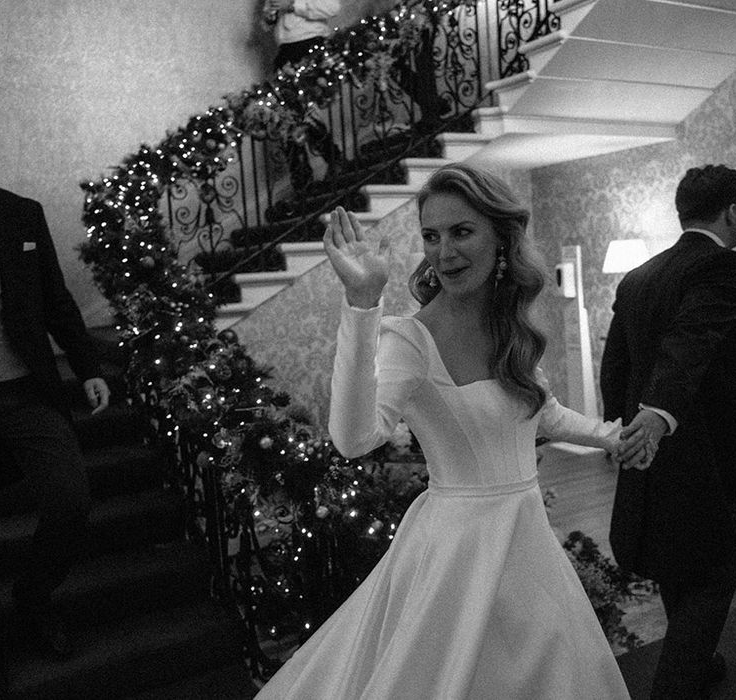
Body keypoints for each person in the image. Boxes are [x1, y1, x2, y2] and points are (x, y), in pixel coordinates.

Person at [256, 163, 651, 699]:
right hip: (456, 550)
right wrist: (362, 304)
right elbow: (353, 440)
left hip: (526, 538)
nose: (444, 253)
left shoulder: (510, 326)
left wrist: (610, 436)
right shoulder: (411, 339)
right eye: (431, 236)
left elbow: (542, 413)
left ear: (501, 240)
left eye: (462, 232)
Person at [601, 164, 736, 699]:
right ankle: (675, 686)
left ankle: (702, 661)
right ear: (732, 211)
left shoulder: (639, 276)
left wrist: (627, 431)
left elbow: (615, 366)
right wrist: (658, 414)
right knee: (716, 576)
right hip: (710, 458)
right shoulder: (723, 266)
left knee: (678, 560)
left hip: (651, 452)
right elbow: (691, 340)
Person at [0, 188, 110, 685]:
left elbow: (55, 299)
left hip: (27, 394)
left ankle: (33, 594)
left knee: (70, 501)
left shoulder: (20, 214)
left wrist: (87, 366)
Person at [262, 0, 344, 191]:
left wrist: (292, 5)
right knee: (286, 116)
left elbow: (332, 7)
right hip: (285, 51)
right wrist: (270, 16)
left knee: (305, 111)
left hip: (309, 45)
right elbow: (266, 23)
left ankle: (334, 158)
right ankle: (301, 179)